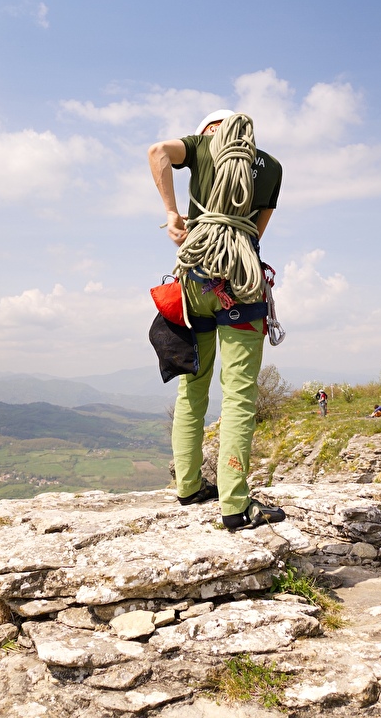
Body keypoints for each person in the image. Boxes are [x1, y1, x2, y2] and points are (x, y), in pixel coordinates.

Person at [148, 109, 285, 530]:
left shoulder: (201, 145)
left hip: (195, 280)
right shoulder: (273, 167)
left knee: (194, 387)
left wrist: (173, 214)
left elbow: (157, 152)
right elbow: (256, 232)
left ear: (210, 129)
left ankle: (188, 487)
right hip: (240, 281)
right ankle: (235, 504)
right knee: (239, 394)